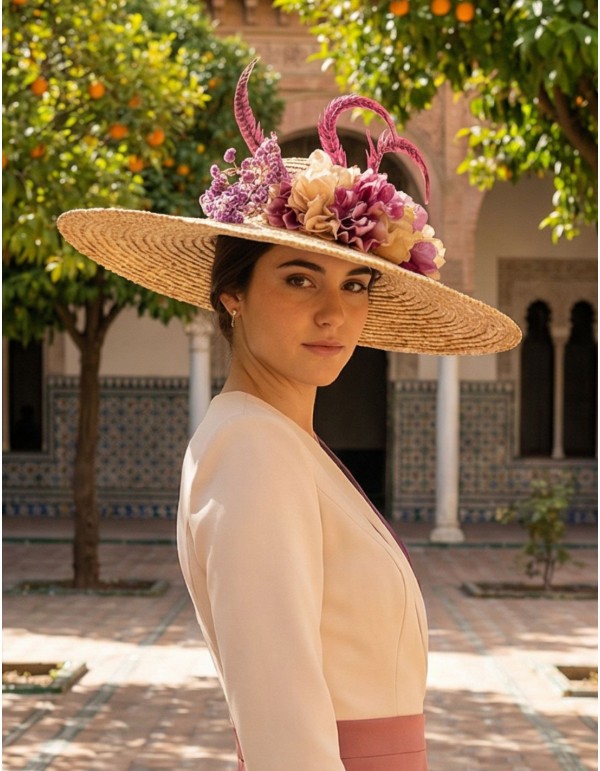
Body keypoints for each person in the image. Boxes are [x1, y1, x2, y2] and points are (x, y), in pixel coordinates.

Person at [57, 59, 521, 771]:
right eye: (299, 278)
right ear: (232, 295)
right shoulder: (251, 452)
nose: (335, 313)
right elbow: (287, 744)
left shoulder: (280, 440)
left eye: (356, 283)